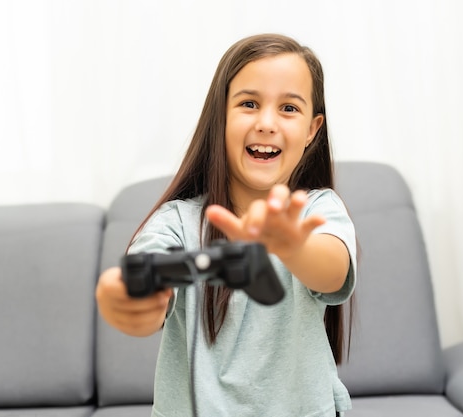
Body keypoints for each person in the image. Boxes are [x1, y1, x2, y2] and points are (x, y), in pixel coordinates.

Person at [96, 33, 357, 417]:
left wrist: (292, 247)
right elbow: (145, 287)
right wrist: (122, 295)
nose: (267, 123)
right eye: (249, 103)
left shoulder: (316, 209)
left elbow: (333, 272)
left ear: (312, 130)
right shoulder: (176, 223)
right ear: (220, 116)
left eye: (288, 108)